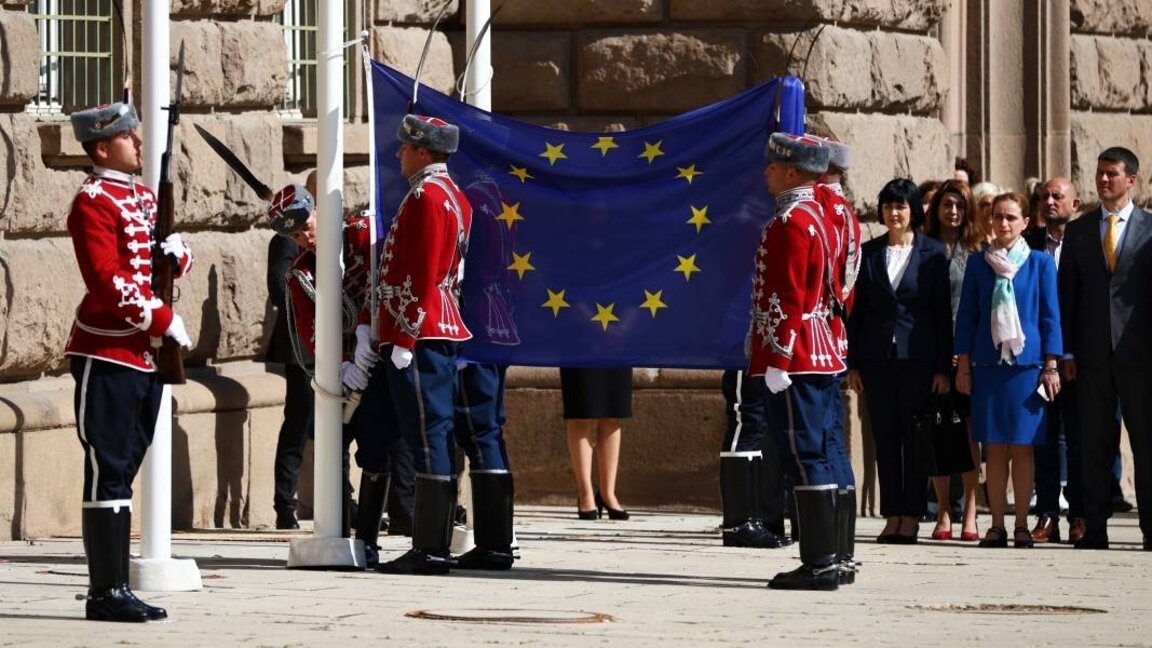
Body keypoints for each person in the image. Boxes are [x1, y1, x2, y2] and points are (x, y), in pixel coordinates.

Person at [66, 100, 194, 622]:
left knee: (125, 466)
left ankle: (117, 587)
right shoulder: (92, 201)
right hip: (108, 350)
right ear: (102, 148)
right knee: (109, 469)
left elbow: (153, 263)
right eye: (128, 137)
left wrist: (178, 255)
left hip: (144, 356)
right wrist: (161, 319)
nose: (139, 143)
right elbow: (107, 278)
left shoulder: (142, 196)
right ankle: (106, 591)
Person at [372, 114, 474, 575]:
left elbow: (424, 270)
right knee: (432, 433)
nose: (399, 154)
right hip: (436, 324)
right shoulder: (453, 195)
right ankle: (434, 541)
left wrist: (404, 334)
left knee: (427, 435)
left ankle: (430, 547)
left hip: (421, 329)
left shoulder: (427, 196)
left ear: (424, 151)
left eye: (406, 147)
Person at [750, 133, 842, 591]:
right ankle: (830, 557)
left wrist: (778, 357)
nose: (766, 171)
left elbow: (788, 295)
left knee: (804, 455)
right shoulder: (818, 215)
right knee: (816, 453)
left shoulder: (790, 221)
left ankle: (820, 562)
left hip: (797, 353)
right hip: (819, 348)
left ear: (791, 172)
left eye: (773, 165)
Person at [847, 178, 952, 544]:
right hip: (877, 360)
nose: (894, 212)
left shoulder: (933, 253)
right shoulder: (870, 252)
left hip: (918, 359)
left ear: (913, 211)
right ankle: (892, 514)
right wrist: (853, 363)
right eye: (889, 206)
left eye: (901, 206)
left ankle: (912, 516)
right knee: (886, 437)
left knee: (915, 439)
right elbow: (858, 312)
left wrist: (942, 368)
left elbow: (941, 314)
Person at [955, 192, 1062, 549]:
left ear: (1025, 223)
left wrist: (1051, 364)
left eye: (1011, 217)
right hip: (988, 366)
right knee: (995, 447)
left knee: (1023, 447)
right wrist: (963, 365)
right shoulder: (978, 263)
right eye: (998, 216)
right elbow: (967, 317)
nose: (1003, 223)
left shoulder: (1040, 263)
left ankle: (1021, 525)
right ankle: (997, 525)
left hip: (1027, 367)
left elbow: (1050, 316)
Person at [1059, 146, 1152, 550]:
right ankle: (1094, 529)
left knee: (1146, 445)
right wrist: (1066, 352)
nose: (1102, 179)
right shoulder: (1079, 231)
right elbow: (1067, 297)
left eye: (1111, 174)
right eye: (1099, 173)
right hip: (1091, 357)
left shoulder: (1150, 229)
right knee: (1094, 446)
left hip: (1140, 358)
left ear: (1131, 180)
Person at [923, 179, 984, 541]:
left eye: (960, 206)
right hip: (933, 353)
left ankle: (971, 509)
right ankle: (943, 509)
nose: (954, 212)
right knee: (938, 432)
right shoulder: (924, 246)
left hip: (968, 354)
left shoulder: (977, 250)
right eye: (947, 205)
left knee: (969, 434)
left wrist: (965, 352)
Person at [812, 135, 861, 582]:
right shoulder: (847, 212)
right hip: (835, 333)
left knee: (819, 444)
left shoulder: (820, 210)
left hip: (816, 336)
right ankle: (842, 549)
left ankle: (828, 551)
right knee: (835, 444)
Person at [1026, 177, 1085, 544]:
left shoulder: (1086, 242)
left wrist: (1070, 352)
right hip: (1036, 359)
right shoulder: (1028, 243)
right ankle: (1047, 512)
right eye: (1045, 196)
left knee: (1079, 438)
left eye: (1058, 196)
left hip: (1077, 359)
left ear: (1074, 204)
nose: (1050, 201)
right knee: (1043, 438)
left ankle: (1079, 513)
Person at [267, 204, 311, 531]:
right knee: (298, 423)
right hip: (302, 348)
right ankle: (285, 505)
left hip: (339, 346)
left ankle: (343, 499)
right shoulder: (287, 240)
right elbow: (279, 288)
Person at [563, 367, 633, 520]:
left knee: (613, 411)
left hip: (615, 352)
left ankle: (608, 494)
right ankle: (585, 494)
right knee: (581, 411)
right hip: (580, 351)